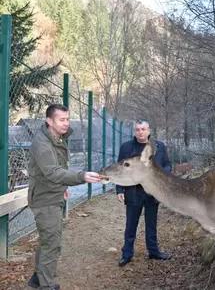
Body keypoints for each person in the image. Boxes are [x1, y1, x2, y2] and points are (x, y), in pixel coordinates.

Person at [27, 104, 102, 290]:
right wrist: (81, 176)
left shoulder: (56, 138)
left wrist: (63, 187)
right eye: (62, 120)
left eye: (67, 119)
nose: (66, 123)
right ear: (49, 121)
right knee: (52, 243)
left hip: (53, 193)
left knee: (48, 240)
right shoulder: (42, 143)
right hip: (45, 200)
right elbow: (52, 172)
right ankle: (45, 285)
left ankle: (38, 278)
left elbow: (58, 170)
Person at [116, 119, 172, 267]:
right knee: (131, 224)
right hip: (133, 191)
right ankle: (126, 254)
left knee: (151, 223)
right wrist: (119, 190)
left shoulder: (159, 146)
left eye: (143, 129)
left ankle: (154, 252)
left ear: (148, 130)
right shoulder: (126, 147)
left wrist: (162, 175)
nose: (140, 132)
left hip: (153, 191)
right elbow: (119, 169)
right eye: (137, 129)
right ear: (134, 131)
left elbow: (167, 164)